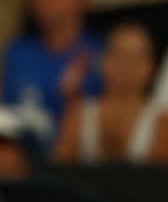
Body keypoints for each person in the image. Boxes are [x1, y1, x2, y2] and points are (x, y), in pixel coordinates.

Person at [0, 0, 104, 152]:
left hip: (76, 166)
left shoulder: (99, 56)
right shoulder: (16, 52)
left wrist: (75, 100)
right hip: (19, 162)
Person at [54, 21, 168, 164]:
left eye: (137, 57)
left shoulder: (163, 122)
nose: (126, 65)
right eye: (118, 54)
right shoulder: (79, 116)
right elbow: (57, 171)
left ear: (152, 67)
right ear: (103, 61)